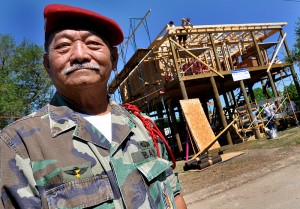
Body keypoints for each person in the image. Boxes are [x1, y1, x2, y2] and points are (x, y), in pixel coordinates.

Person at [0, 4, 187, 209]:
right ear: (47, 65)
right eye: (63, 46)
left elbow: (175, 197)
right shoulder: (17, 145)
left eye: (93, 43)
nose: (80, 54)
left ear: (114, 59)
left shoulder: (142, 126)